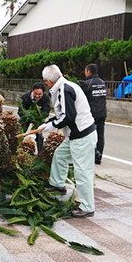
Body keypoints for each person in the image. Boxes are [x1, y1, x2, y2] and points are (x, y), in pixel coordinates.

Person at [40, 65, 97, 218]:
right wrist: (48, 123)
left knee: (82, 171)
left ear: (48, 81)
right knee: (60, 155)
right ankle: (57, 184)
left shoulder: (65, 89)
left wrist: (50, 126)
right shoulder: (62, 88)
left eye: (45, 81)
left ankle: (87, 207)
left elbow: (68, 117)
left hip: (82, 137)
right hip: (75, 136)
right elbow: (61, 114)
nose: (45, 84)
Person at [80, 63, 107, 165]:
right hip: (102, 112)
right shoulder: (102, 82)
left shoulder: (87, 83)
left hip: (91, 114)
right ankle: (98, 157)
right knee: (100, 135)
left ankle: (92, 156)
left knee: (90, 135)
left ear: (88, 72)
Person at [18, 82, 51, 153]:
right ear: (32, 91)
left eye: (39, 94)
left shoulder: (46, 98)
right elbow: (20, 111)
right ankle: (17, 149)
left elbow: (46, 111)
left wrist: (40, 116)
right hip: (26, 117)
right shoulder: (25, 97)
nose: (37, 96)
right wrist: (27, 116)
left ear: (43, 93)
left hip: (38, 118)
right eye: (35, 93)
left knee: (39, 134)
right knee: (20, 131)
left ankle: (40, 153)